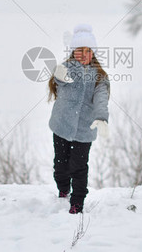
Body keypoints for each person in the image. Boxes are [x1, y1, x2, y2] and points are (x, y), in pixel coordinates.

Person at [47, 23, 110, 214]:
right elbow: (58, 82)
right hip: (62, 125)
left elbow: (101, 98)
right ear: (73, 52)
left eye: (87, 51)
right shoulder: (66, 68)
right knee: (60, 166)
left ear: (93, 53)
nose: (83, 54)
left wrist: (101, 117)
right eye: (79, 50)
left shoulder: (100, 76)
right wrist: (57, 76)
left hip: (84, 129)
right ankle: (63, 189)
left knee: (79, 167)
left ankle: (77, 203)